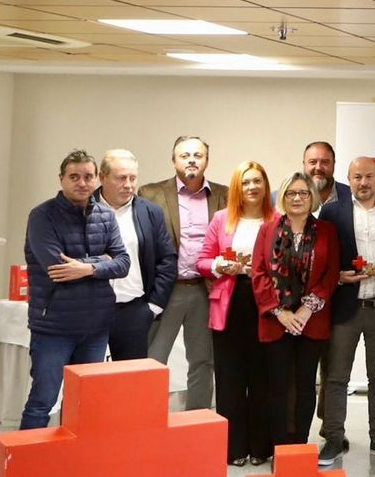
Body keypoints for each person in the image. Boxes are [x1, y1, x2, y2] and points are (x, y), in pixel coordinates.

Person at [20, 149, 130, 430]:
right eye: (74, 177)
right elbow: (56, 268)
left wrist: (86, 268)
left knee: (84, 401)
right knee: (43, 401)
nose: (82, 183)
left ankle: (73, 456)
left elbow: (123, 263)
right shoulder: (42, 216)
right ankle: (27, 457)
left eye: (88, 177)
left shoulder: (106, 215)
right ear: (61, 179)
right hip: (53, 328)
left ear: (97, 179)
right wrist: (102, 261)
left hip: (96, 327)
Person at [140, 135, 229, 410]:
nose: (192, 160)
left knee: (203, 361)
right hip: (166, 290)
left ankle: (197, 420)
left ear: (207, 161)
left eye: (198, 155)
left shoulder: (225, 195)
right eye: (185, 155)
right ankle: (147, 419)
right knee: (153, 360)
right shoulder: (150, 194)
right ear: (174, 161)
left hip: (205, 289)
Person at [251, 173, 339, 449]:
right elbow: (259, 273)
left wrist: (306, 310)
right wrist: (281, 312)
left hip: (311, 321)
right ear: (283, 197)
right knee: (277, 386)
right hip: (276, 321)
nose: (297, 198)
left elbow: (331, 274)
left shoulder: (327, 231)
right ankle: (279, 447)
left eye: (303, 193)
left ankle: (300, 445)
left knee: (305, 385)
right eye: (291, 193)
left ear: (312, 197)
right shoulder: (267, 230)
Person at [317, 156, 375, 466]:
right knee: (336, 377)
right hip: (345, 306)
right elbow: (322, 257)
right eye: (356, 177)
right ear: (348, 180)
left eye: (368, 176)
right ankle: (334, 438)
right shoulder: (332, 212)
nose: (363, 182)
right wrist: (337, 276)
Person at [199, 161, 273, 465]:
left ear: (265, 186)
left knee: (262, 376)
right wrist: (220, 265)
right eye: (245, 182)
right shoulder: (221, 219)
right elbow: (202, 261)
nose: (252, 187)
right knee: (229, 376)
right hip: (230, 302)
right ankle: (233, 448)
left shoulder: (277, 219)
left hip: (265, 304)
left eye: (257, 181)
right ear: (236, 188)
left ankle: (260, 447)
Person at [95, 150, 177, 360]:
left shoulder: (150, 212)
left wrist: (153, 307)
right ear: (102, 177)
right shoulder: (83, 208)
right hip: (90, 309)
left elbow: (167, 260)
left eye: (133, 178)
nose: (129, 185)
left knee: (130, 377)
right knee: (88, 374)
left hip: (133, 311)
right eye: (121, 178)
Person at [299, 141, 350, 214]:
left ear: (333, 164)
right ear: (304, 165)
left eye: (325, 162)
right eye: (313, 162)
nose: (318, 167)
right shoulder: (291, 198)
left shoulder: (351, 197)